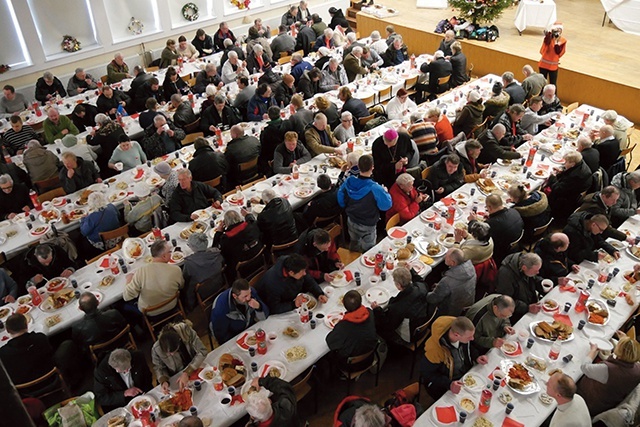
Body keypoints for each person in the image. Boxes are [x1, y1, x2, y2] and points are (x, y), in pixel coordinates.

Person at [419, 316, 488, 400]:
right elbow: (427, 374)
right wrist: (449, 384)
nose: (472, 339)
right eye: (469, 337)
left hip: (464, 374)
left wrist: (476, 356)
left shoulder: (461, 333)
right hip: (445, 384)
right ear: (456, 335)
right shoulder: (434, 351)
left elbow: (469, 347)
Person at [338, 154, 392, 252]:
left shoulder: (349, 181)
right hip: (368, 224)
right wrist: (386, 193)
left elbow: (340, 197)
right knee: (369, 249)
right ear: (372, 167)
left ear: (358, 166)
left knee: (354, 243)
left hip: (352, 220)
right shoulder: (375, 188)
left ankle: (353, 260)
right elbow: (386, 206)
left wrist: (346, 207)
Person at [578, 333, 640, 417]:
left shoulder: (608, 370)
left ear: (619, 353)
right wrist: (625, 340)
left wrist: (593, 350)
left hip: (588, 402)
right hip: (609, 402)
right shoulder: (637, 368)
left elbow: (584, 367)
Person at [124, 240, 184, 315]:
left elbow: (127, 296)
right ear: (164, 256)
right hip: (171, 305)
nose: (171, 253)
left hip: (150, 311)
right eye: (170, 252)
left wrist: (128, 280)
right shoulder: (176, 270)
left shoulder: (141, 272)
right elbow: (181, 286)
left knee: (123, 306)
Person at [372, 266, 427, 345]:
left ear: (399, 286)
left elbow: (388, 325)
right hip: (422, 323)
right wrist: (411, 270)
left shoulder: (397, 307)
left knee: (377, 323)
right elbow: (420, 280)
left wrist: (377, 309)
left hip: (412, 335)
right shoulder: (421, 288)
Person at [257, 254, 327, 314]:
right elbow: (274, 307)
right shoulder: (273, 284)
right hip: (279, 308)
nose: (305, 273)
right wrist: (293, 304)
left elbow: (308, 279)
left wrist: (319, 293)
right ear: (291, 273)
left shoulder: (295, 264)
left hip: (293, 297)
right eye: (302, 272)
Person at [0, 314, 55, 387]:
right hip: (51, 378)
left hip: (26, 389)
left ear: (7, 330)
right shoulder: (40, 338)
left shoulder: (3, 353)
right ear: (26, 325)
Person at [152, 322, 207, 394]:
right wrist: (164, 381)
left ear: (179, 341)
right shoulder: (156, 349)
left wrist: (187, 372)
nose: (170, 355)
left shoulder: (186, 332)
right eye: (167, 353)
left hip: (194, 367)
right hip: (176, 378)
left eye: (173, 352)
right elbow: (159, 368)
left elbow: (202, 351)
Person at [326, 288, 378, 364]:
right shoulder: (369, 312)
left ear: (344, 305)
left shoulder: (343, 326)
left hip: (352, 365)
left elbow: (330, 341)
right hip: (370, 356)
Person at [211, 277, 268, 345]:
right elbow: (221, 337)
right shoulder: (221, 309)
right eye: (245, 296)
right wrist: (240, 341)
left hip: (250, 330)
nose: (249, 297)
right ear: (235, 296)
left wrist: (259, 307)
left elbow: (264, 317)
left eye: (250, 293)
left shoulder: (250, 292)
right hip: (234, 337)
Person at [94, 348, 153, 412]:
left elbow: (148, 377)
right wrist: (124, 393)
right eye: (123, 371)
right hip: (121, 405)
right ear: (114, 368)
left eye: (128, 368)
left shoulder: (138, 356)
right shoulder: (101, 372)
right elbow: (102, 398)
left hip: (143, 397)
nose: (127, 371)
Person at [212, 210, 263, 282]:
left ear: (226, 224)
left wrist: (218, 233)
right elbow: (251, 219)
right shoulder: (252, 225)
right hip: (258, 258)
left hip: (242, 268)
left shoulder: (226, 239)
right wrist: (248, 215)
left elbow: (215, 250)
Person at [474, 194, 524, 264]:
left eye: (487, 207)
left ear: (490, 207)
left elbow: (478, 235)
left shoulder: (492, 224)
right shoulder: (514, 211)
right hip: (515, 245)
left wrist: (473, 221)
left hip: (500, 252)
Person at [427, 248, 476, 317]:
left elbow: (433, 299)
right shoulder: (471, 268)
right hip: (467, 305)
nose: (444, 257)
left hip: (450, 312)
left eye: (446, 257)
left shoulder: (447, 281)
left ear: (453, 263)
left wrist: (425, 293)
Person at [182, 233, 224, 311]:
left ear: (192, 247)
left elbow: (185, 278)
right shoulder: (216, 253)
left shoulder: (190, 263)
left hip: (203, 291)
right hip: (218, 283)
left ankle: (189, 308)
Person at [495, 252, 542, 322]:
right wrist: (527, 308)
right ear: (524, 268)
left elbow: (533, 278)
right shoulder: (505, 275)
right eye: (536, 271)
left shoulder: (525, 264)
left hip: (529, 302)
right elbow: (505, 301)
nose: (538, 272)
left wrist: (542, 282)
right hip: (516, 314)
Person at [547, 151, 593, 221]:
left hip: (565, 199)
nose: (564, 163)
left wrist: (552, 177)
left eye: (566, 162)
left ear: (572, 164)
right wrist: (562, 171)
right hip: (573, 191)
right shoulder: (580, 162)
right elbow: (569, 173)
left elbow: (557, 189)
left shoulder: (575, 176)